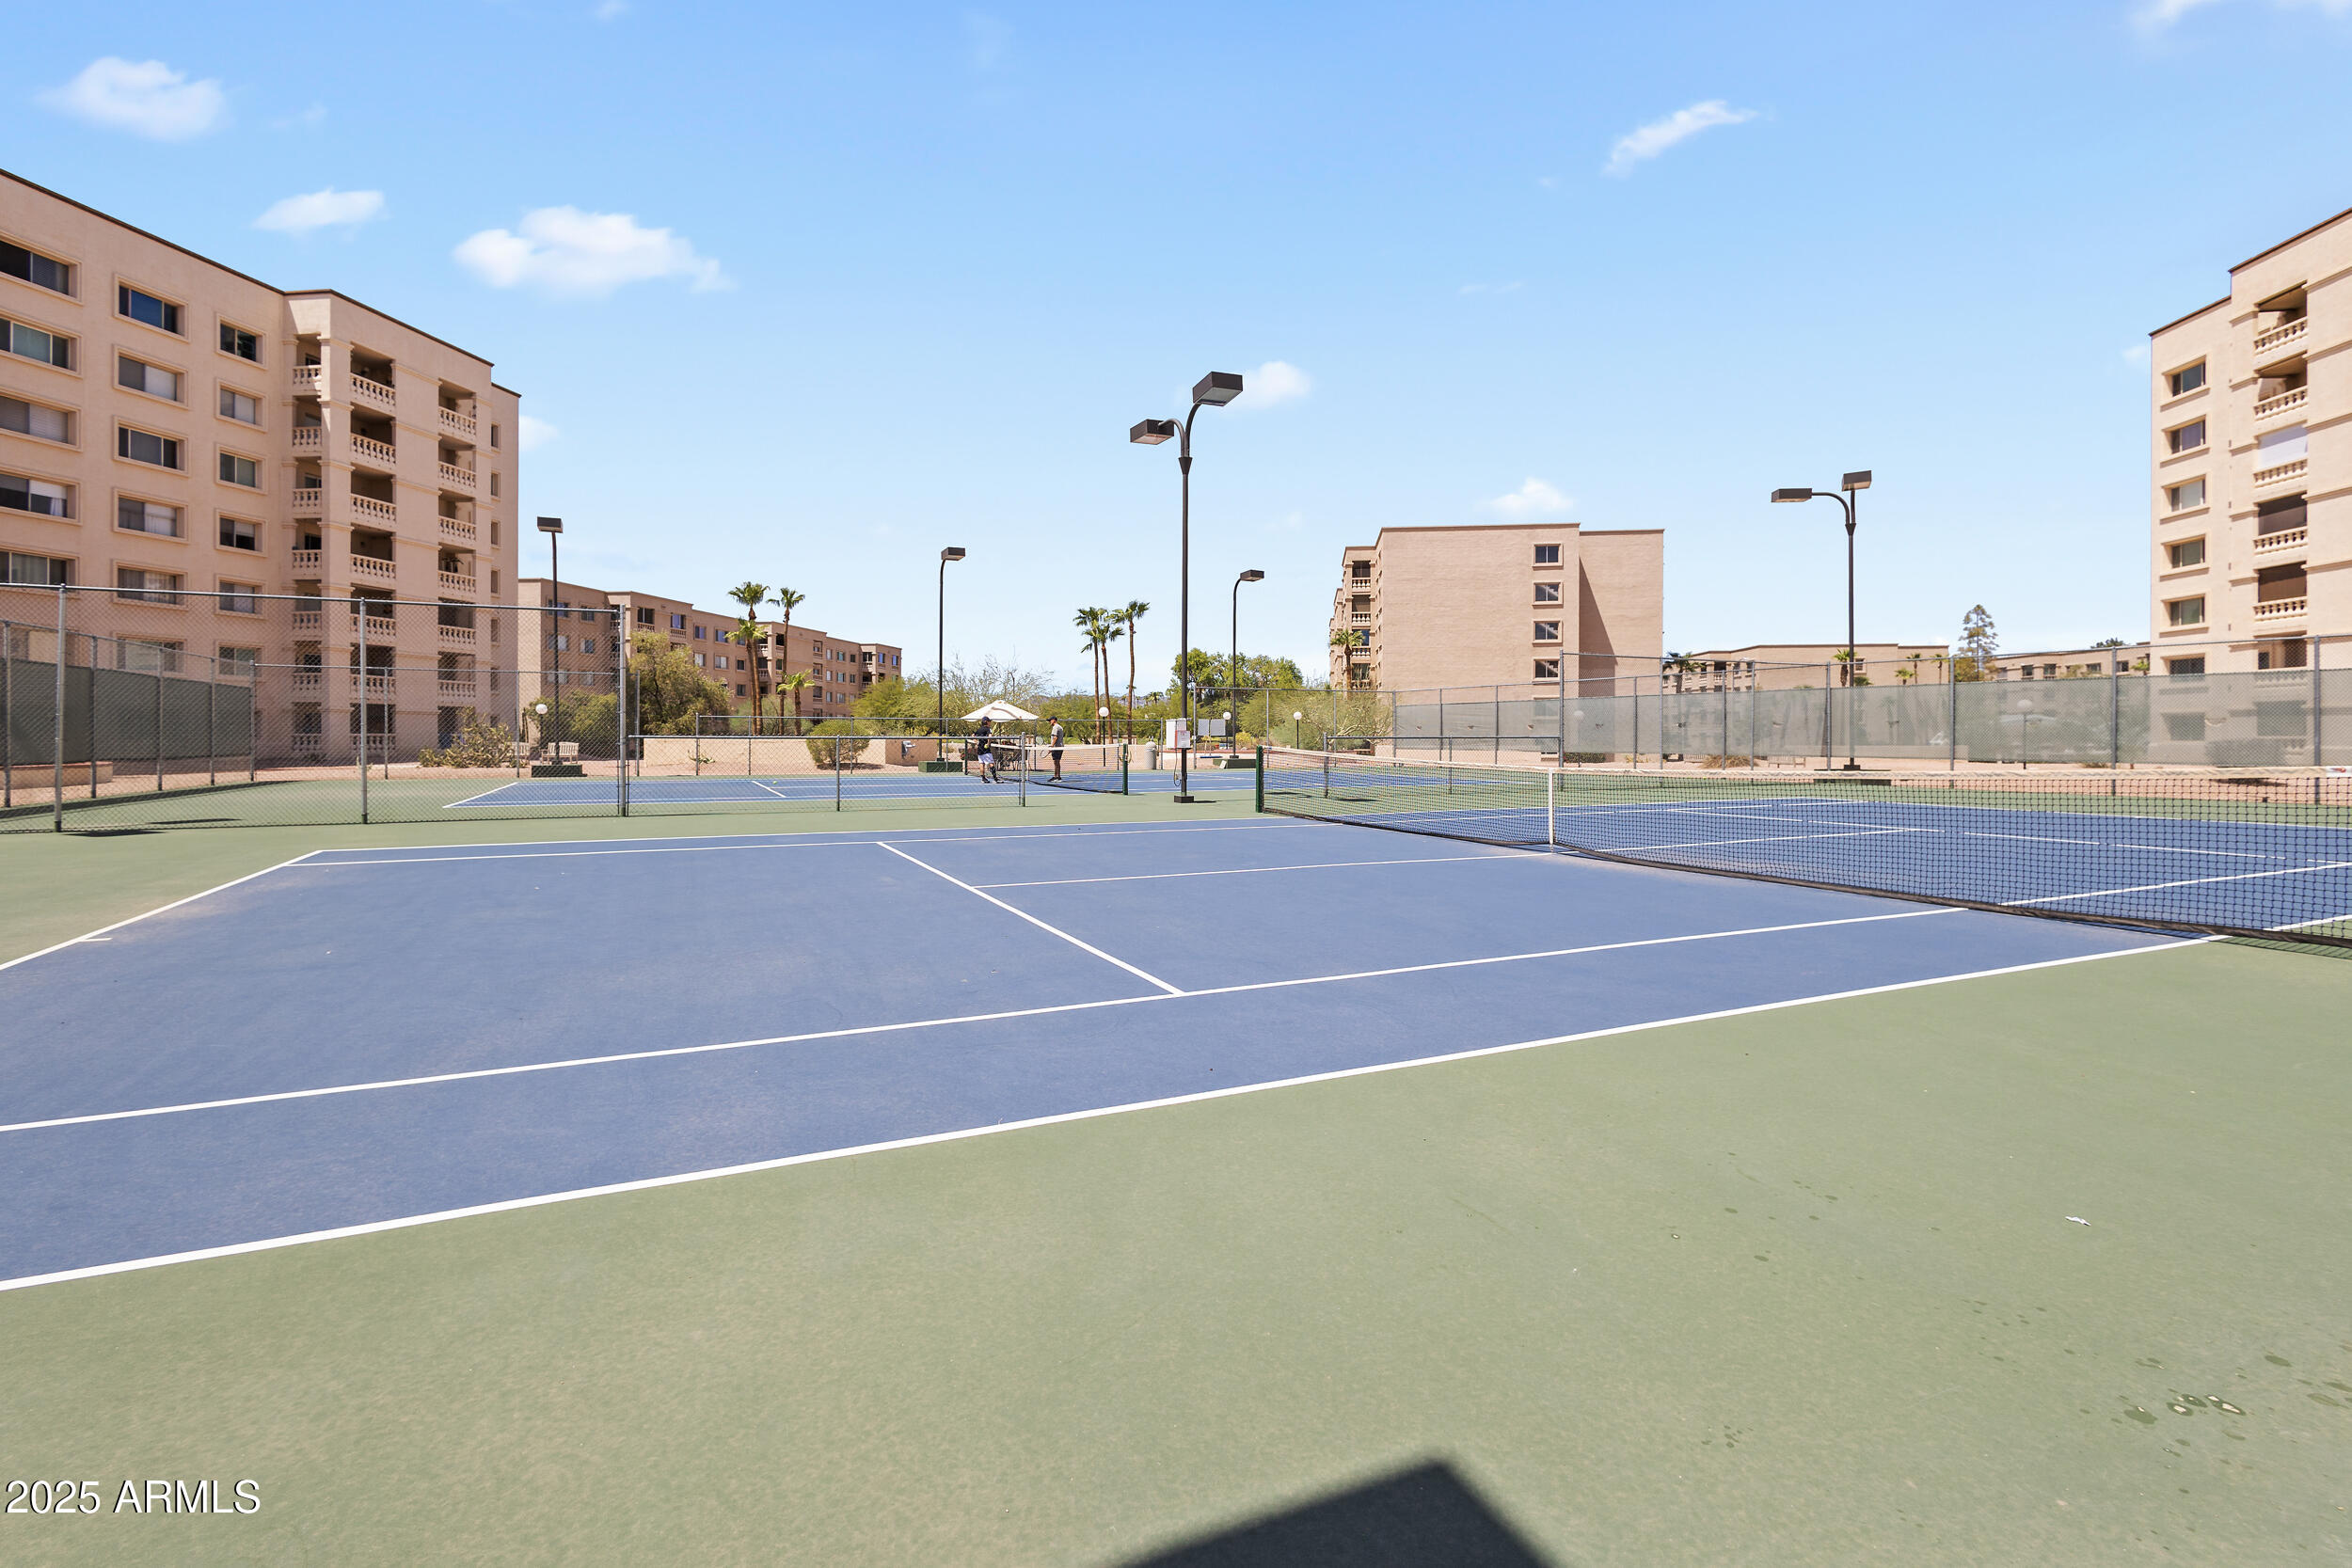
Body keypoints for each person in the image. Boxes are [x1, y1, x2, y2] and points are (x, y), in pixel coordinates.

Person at [974, 714, 1001, 783]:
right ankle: (995, 779)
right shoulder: (988, 729)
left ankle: (983, 778)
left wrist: (976, 743)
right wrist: (988, 744)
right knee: (991, 763)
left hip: (980, 749)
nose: (990, 723)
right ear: (987, 722)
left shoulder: (979, 729)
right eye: (989, 721)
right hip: (986, 750)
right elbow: (990, 736)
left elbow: (973, 735)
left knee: (981, 763)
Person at [1047, 716, 1065, 782]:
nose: (1049, 722)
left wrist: (1051, 747)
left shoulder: (1055, 727)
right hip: (1060, 747)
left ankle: (1056, 776)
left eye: (1050, 720)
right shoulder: (1060, 727)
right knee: (1057, 762)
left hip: (1056, 748)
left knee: (1056, 762)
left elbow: (1055, 737)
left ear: (1054, 720)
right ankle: (1058, 776)